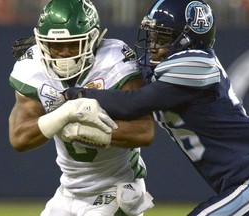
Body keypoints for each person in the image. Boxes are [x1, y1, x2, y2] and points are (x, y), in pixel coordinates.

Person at [62, 0, 249, 215]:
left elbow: (132, 103)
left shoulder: (197, 64)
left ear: (188, 40)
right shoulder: (167, 65)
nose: (152, 45)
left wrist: (78, 94)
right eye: (152, 36)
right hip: (241, 183)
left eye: (162, 38)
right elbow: (126, 70)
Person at [8, 0, 155, 215]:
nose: (65, 53)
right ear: (42, 43)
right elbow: (19, 138)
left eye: (73, 44)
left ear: (93, 40)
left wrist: (86, 131)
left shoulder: (115, 63)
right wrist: (64, 114)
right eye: (56, 45)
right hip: (68, 191)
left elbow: (144, 131)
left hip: (116, 188)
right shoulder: (33, 67)